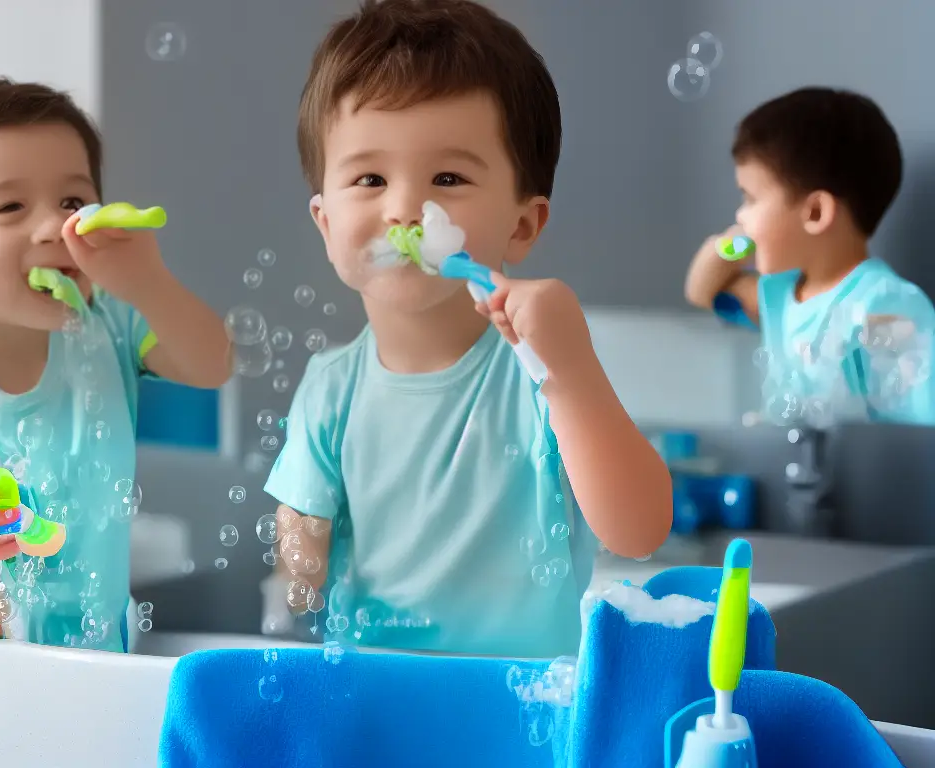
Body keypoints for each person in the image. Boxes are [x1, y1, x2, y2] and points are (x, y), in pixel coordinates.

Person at [264, 0, 673, 658]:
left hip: (522, 715)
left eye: (448, 178)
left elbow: (640, 532)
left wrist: (571, 375)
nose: (403, 208)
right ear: (325, 223)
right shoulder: (329, 390)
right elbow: (298, 579)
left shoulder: (540, 369)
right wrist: (299, 555)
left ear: (523, 224)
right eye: (370, 178)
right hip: (374, 706)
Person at [0, 78, 231, 651]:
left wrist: (147, 282)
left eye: (73, 202)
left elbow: (212, 365)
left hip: (106, 653)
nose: (53, 228)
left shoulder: (108, 324)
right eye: (10, 205)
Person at [685, 87, 935, 425]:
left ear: (815, 213)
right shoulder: (781, 294)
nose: (740, 215)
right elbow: (702, 292)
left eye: (751, 199)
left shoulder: (884, 305)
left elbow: (918, 434)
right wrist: (731, 244)